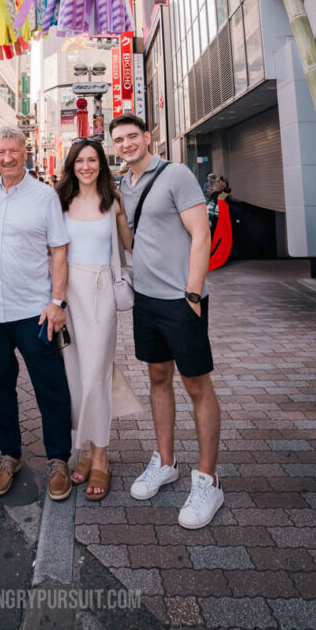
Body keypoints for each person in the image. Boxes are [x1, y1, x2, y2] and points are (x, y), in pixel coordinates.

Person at [110, 113, 222, 530]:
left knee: (196, 384)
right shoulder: (124, 185)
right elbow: (132, 239)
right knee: (158, 377)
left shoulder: (176, 175)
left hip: (181, 299)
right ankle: (166, 462)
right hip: (147, 300)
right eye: (118, 139)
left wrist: (193, 294)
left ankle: (209, 480)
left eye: (131, 136)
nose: (126, 144)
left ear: (147, 137)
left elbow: (200, 234)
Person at [0, 125, 73, 501]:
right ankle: (9, 454)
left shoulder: (45, 196)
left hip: (34, 311)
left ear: (25, 152)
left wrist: (58, 302)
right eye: (0, 152)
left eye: (13, 151)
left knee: (50, 387)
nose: (6, 158)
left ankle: (58, 459)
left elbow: (59, 252)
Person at [56, 138, 142, 501]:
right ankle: (87, 448)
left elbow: (129, 246)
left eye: (93, 160)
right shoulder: (58, 200)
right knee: (75, 373)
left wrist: (122, 216)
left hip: (100, 288)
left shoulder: (113, 200)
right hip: (65, 291)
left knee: (96, 370)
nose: (86, 166)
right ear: (71, 165)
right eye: (80, 160)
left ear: (101, 164)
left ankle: (101, 456)